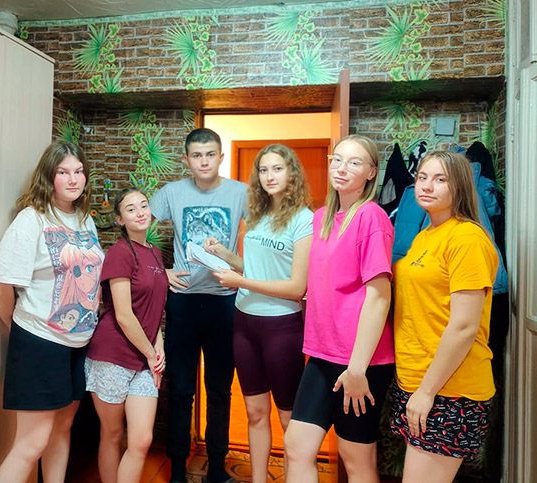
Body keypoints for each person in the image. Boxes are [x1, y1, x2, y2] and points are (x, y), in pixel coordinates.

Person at [0, 140, 104, 483]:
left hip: (78, 343)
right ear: (49, 176)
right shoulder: (32, 220)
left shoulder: (84, 219)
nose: (73, 179)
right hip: (40, 342)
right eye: (63, 172)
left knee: (62, 429)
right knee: (31, 443)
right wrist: (20, 328)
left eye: (79, 171)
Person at [284, 134, 395, 482]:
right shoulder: (321, 218)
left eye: (354, 162)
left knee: (355, 459)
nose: (342, 168)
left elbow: (380, 296)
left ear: (371, 173)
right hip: (322, 354)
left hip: (361, 362)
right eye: (338, 159)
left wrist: (357, 369)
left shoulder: (372, 217)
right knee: (297, 447)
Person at [203, 144, 312, 483]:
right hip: (245, 323)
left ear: (291, 173)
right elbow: (254, 268)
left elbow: (296, 287)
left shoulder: (304, 219)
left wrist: (240, 281)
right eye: (263, 170)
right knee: (254, 412)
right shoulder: (257, 215)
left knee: (288, 418)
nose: (269, 176)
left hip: (282, 327)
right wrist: (225, 255)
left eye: (277, 169)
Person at [390, 151, 498, 483]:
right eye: (422, 177)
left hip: (449, 388)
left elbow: (464, 326)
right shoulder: (426, 234)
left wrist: (427, 391)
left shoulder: (467, 239)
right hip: (417, 379)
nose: (426, 186)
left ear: (460, 186)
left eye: (440, 179)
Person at [150, 127, 248, 483]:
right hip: (184, 304)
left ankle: (217, 469)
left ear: (221, 157)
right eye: (196, 155)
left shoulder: (241, 193)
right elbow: (136, 229)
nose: (204, 161)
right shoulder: (171, 193)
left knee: (220, 390)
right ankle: (177, 471)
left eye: (210, 155)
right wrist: (161, 271)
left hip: (224, 303)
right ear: (186, 159)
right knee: (180, 391)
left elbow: (262, 237)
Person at [84, 187, 168, 483]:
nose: (140, 212)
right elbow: (123, 314)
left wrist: (159, 348)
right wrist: (150, 353)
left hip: (145, 358)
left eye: (143, 205)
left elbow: (154, 309)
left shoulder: (154, 252)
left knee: (142, 440)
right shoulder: (119, 253)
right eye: (131, 209)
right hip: (113, 355)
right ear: (120, 219)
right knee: (112, 433)